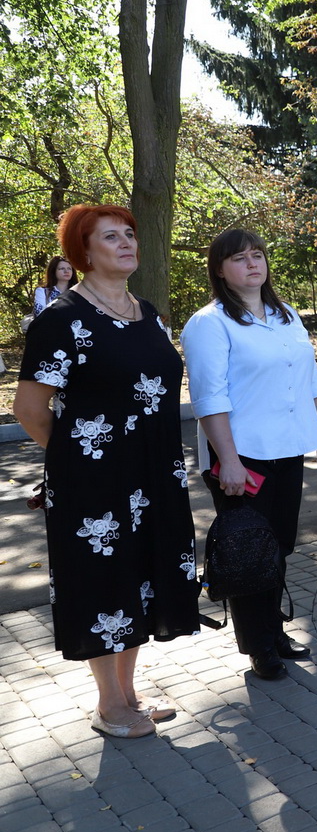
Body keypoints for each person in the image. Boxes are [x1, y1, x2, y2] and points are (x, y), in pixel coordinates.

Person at [14, 204, 200, 738]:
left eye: (130, 234)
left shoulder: (148, 312)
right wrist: (77, 461)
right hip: (92, 482)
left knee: (141, 577)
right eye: (110, 237)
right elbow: (30, 409)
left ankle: (129, 695)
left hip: (156, 475)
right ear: (83, 252)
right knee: (104, 582)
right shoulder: (60, 320)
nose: (126, 243)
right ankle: (108, 705)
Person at [182, 229, 317, 680]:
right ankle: (258, 647)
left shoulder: (286, 314)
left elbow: (311, 381)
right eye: (239, 258)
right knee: (247, 551)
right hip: (243, 455)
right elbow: (209, 397)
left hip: (286, 449)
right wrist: (227, 459)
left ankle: (275, 630)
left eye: (257, 255)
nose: (252, 264)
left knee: (278, 547)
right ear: (219, 269)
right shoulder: (209, 323)